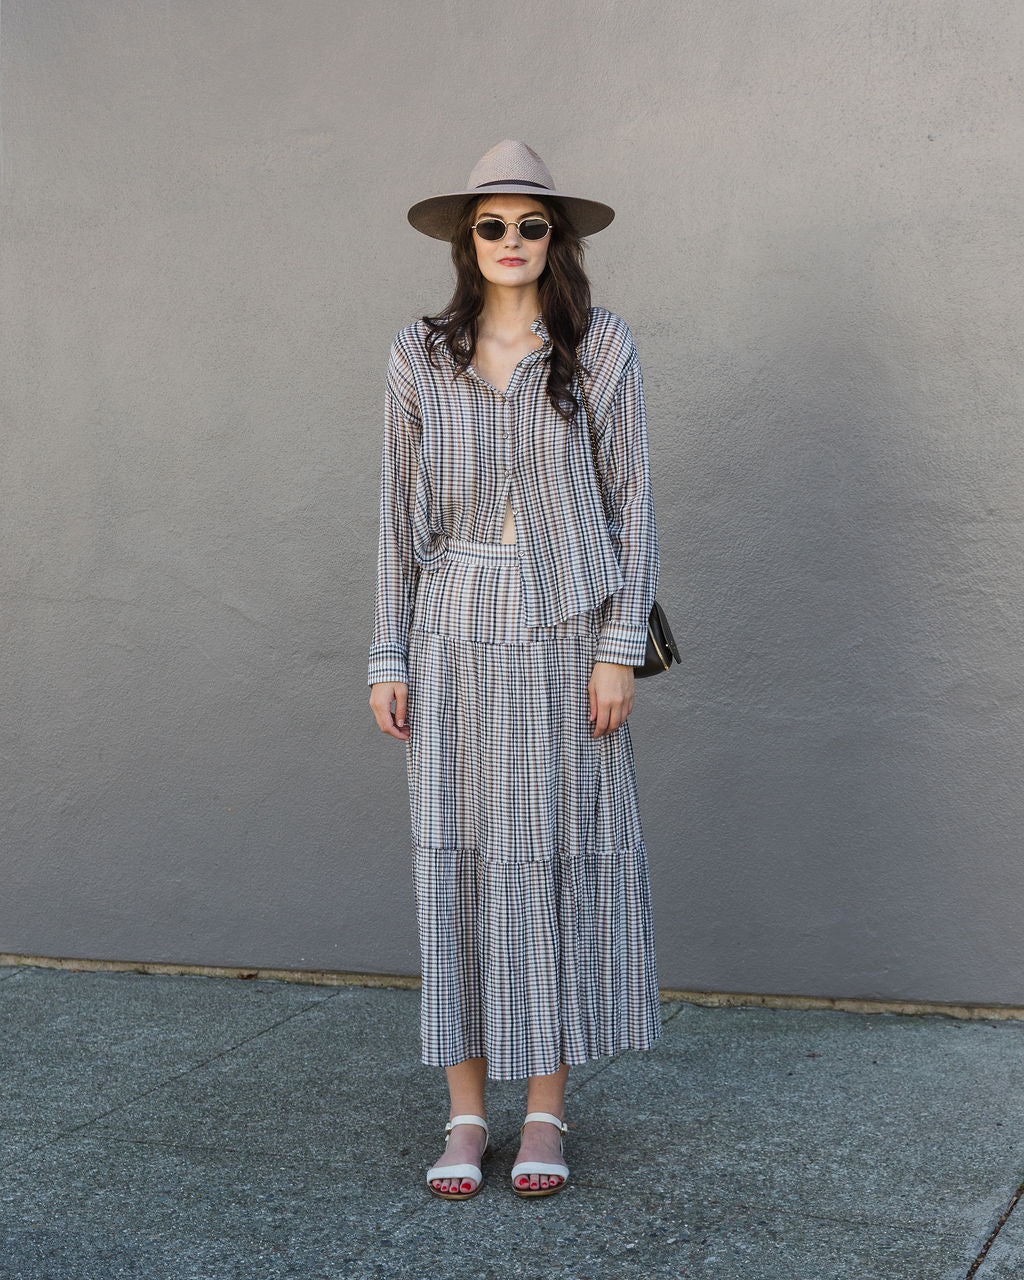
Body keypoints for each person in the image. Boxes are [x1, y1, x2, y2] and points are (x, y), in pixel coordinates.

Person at [368, 140, 661, 1200]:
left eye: (530, 225)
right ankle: (463, 1114)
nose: (510, 240)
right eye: (491, 224)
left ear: (555, 239)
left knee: (549, 860)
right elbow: (394, 513)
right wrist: (386, 651)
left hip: (563, 627)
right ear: (467, 239)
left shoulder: (599, 345)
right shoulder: (418, 353)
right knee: (454, 860)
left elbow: (634, 503)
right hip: (449, 624)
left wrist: (618, 648)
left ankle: (543, 1111)